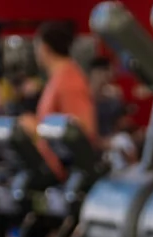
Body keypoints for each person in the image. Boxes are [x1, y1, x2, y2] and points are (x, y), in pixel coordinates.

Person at [22, 21, 98, 178]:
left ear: (44, 48)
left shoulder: (70, 81)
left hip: (64, 178)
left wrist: (36, 129)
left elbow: (83, 131)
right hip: (53, 172)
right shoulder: (58, 78)